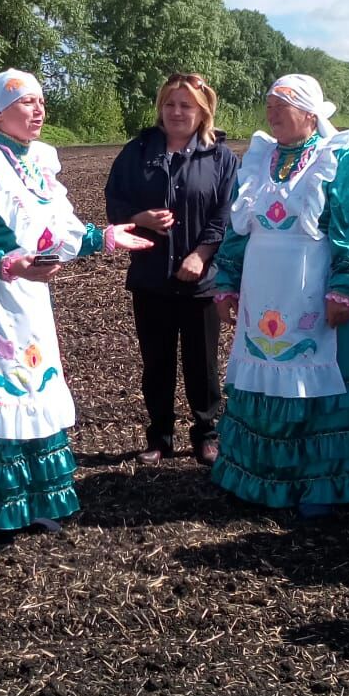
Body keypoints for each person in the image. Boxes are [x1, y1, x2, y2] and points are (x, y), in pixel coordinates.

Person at [0, 70, 151, 537]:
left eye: (42, 101)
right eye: (27, 102)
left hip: (29, 298)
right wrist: (11, 264)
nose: (39, 110)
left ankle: (27, 503)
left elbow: (57, 230)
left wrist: (103, 236)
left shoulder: (37, 161)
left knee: (29, 388)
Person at [210, 74, 349, 516]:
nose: (272, 112)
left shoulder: (338, 156)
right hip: (264, 288)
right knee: (266, 363)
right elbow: (240, 229)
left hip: (313, 285)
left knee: (319, 373)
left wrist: (345, 286)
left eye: (283, 104)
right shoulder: (260, 159)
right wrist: (226, 281)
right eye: (270, 104)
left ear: (310, 114)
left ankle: (322, 484)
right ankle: (261, 475)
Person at [104, 73, 239, 467]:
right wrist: (138, 217)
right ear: (161, 108)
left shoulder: (221, 157)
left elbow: (226, 213)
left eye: (187, 105)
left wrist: (202, 254)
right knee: (156, 363)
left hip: (201, 281)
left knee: (203, 363)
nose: (177, 112)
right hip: (150, 277)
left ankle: (206, 434)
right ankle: (159, 436)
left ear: (203, 112)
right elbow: (115, 200)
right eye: (170, 104)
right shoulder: (138, 150)